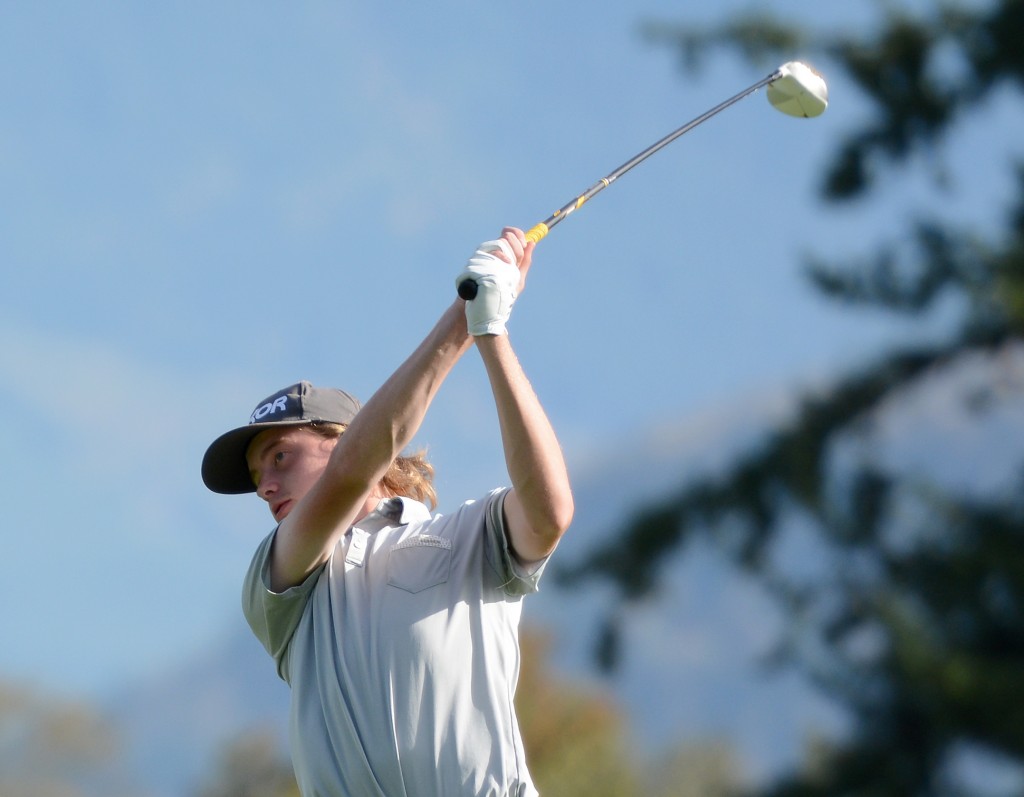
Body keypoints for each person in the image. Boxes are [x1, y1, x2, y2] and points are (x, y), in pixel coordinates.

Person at [201, 227, 574, 797]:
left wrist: (489, 328)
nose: (265, 487)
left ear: (344, 439)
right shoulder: (280, 585)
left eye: (280, 457)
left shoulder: (468, 536)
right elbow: (351, 472)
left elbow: (549, 514)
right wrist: (465, 315)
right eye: (257, 477)